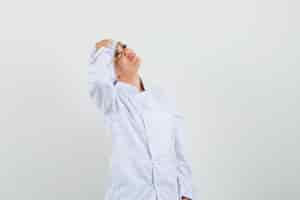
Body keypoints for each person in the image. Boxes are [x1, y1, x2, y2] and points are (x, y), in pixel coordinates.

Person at [87, 38, 194, 200]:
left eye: (125, 47)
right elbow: (98, 82)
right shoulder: (113, 102)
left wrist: (186, 193)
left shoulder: (161, 98)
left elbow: (179, 150)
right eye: (118, 55)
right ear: (113, 71)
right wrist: (102, 49)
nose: (127, 52)